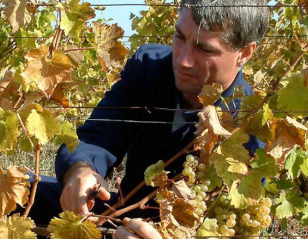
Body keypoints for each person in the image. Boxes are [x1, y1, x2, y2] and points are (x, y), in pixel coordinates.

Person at [27, 0, 269, 238]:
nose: (183, 60)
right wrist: (81, 171)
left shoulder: (250, 128)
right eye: (180, 37)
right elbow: (97, 136)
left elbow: (232, 226)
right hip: (117, 214)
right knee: (21, 190)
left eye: (205, 49)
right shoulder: (149, 68)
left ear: (244, 53)